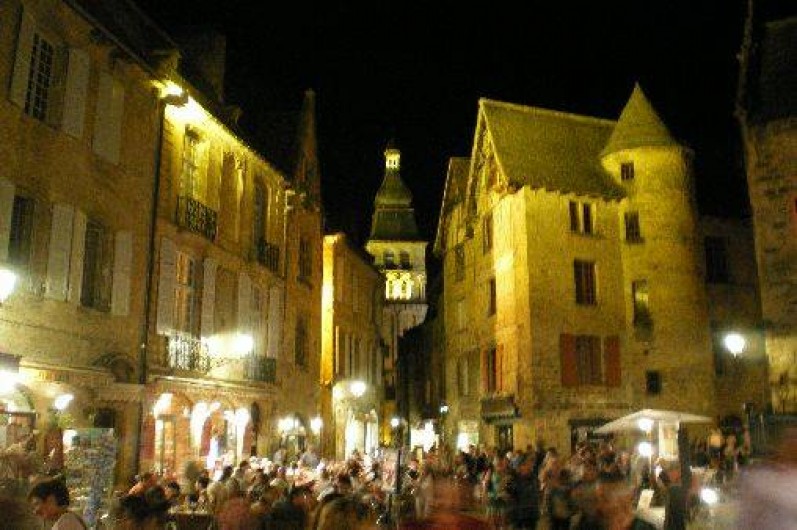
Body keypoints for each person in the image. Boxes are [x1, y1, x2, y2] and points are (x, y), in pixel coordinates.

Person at [504, 453, 540, 530]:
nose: (531, 465)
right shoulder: (513, 479)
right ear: (521, 466)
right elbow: (509, 495)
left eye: (532, 463)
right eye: (529, 463)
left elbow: (536, 493)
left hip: (531, 513)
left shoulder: (534, 477)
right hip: (518, 515)